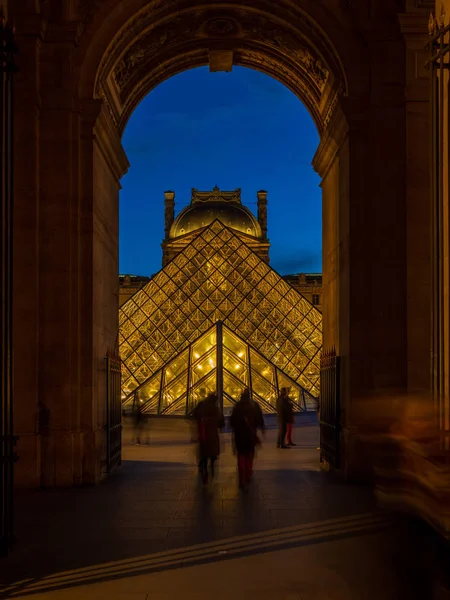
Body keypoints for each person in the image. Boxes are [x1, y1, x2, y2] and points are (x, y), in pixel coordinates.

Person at [230, 389, 265, 489]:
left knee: (241, 456)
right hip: (250, 435)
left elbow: (232, 422)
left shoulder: (237, 407)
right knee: (250, 455)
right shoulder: (254, 406)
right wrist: (261, 427)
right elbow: (259, 418)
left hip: (239, 436)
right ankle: (248, 473)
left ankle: (242, 477)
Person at [192, 393, 225, 484]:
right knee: (212, 451)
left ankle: (204, 466)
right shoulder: (215, 408)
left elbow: (194, 414)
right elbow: (221, 422)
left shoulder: (202, 405)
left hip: (203, 433)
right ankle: (212, 464)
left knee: (203, 451)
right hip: (212, 434)